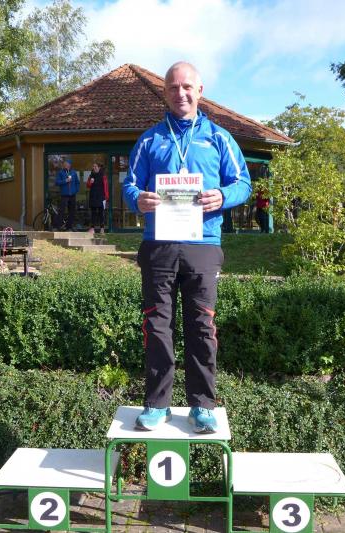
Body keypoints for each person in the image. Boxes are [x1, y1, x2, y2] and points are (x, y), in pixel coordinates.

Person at [122, 61, 252, 434]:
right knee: (156, 325)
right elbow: (129, 185)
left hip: (203, 245)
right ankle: (157, 404)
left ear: (200, 91)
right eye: (173, 87)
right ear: (165, 93)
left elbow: (243, 183)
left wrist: (223, 196)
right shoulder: (149, 140)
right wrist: (138, 200)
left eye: (187, 86)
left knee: (202, 326)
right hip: (159, 245)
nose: (180, 93)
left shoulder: (219, 138)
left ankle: (202, 406)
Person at [55, 159, 79, 230]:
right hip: (64, 194)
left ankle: (69, 226)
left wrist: (76, 190)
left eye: (66, 164)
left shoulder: (74, 173)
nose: (65, 165)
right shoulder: (61, 173)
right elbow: (57, 182)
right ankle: (59, 226)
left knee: (72, 211)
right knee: (62, 210)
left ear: (69, 165)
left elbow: (77, 182)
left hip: (72, 195)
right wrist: (65, 181)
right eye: (64, 164)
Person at [87, 162, 109, 233]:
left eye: (95, 166)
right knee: (93, 212)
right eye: (93, 166)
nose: (94, 168)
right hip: (93, 196)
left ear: (99, 167)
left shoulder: (103, 175)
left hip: (101, 196)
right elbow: (88, 185)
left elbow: (106, 187)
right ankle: (92, 228)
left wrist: (106, 197)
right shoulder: (91, 175)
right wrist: (90, 182)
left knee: (101, 212)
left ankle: (102, 228)